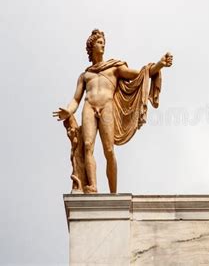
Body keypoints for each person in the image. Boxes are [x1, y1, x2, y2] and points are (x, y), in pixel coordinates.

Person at [54, 29, 173, 193]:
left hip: (107, 107)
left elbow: (141, 74)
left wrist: (159, 64)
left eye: (103, 42)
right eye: (99, 42)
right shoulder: (85, 75)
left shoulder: (114, 68)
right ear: (91, 46)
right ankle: (93, 186)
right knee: (87, 146)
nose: (102, 45)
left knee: (109, 150)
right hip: (89, 106)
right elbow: (76, 99)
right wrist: (68, 111)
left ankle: (113, 192)